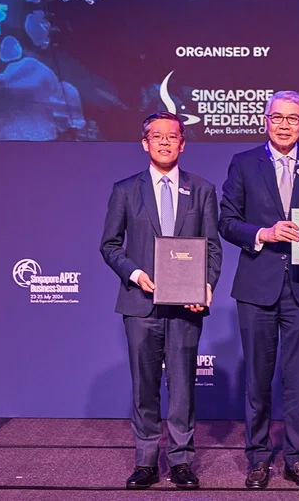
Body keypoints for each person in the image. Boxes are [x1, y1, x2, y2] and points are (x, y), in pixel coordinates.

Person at [219, 90, 299, 490]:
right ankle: (257, 458)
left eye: (293, 118)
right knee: (257, 377)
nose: (285, 124)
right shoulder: (243, 163)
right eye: (278, 117)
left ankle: (296, 457)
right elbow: (227, 221)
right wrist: (263, 233)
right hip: (257, 285)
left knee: (298, 378)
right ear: (265, 121)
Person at [100, 112, 222, 490]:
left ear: (183, 144)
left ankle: (182, 461)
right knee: (145, 386)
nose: (165, 142)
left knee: (183, 385)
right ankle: (147, 462)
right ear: (145, 143)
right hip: (140, 304)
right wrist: (136, 274)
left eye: (173, 137)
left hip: (186, 307)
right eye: (157, 137)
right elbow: (109, 245)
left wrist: (205, 284)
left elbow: (213, 248)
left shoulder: (201, 189)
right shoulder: (125, 190)